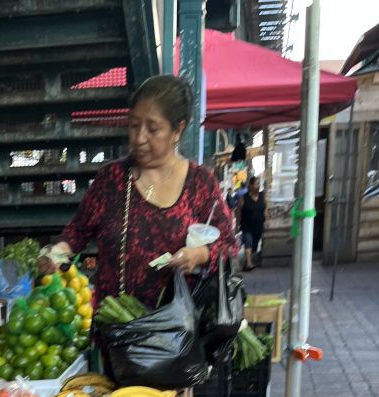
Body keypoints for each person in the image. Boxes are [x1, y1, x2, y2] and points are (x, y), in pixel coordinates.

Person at [38, 75, 237, 308]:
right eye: (133, 125)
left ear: (177, 130)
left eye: (152, 129)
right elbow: (76, 233)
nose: (139, 138)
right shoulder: (111, 180)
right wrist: (56, 253)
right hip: (116, 331)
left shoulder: (200, 183)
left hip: (174, 332)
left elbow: (229, 247)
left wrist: (199, 255)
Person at [240, 176, 266, 271]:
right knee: (248, 242)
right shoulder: (244, 198)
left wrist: (267, 219)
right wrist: (238, 223)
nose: (258, 186)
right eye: (256, 184)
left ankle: (249, 261)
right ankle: (249, 263)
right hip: (247, 225)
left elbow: (265, 208)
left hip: (258, 225)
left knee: (254, 244)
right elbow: (239, 211)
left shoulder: (262, 195)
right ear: (250, 186)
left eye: (259, 184)